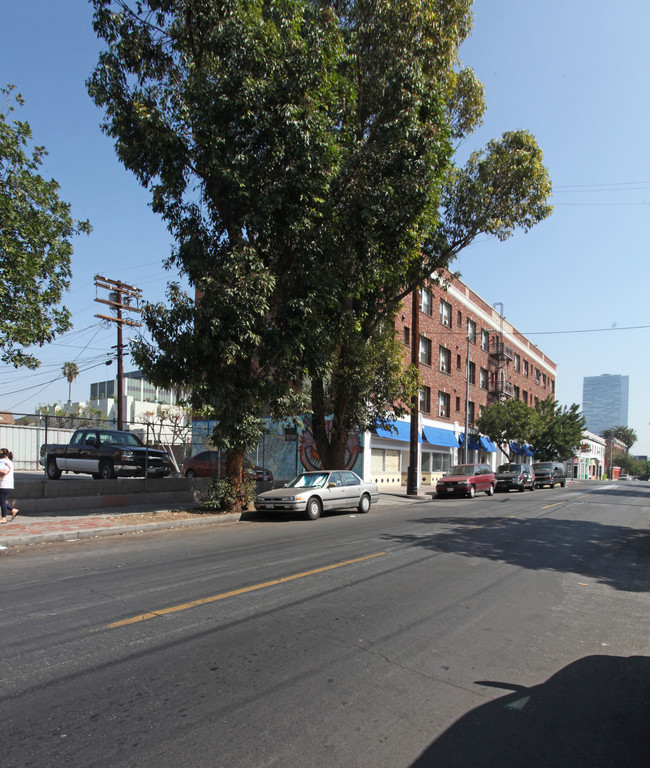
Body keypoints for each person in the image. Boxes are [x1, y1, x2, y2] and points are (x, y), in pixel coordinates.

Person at [0, 448, 18, 523]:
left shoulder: (5, 462)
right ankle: (12, 510)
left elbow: (4, 472)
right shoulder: (7, 461)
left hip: (5, 484)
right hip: (5, 484)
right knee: (1, 501)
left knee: (2, 501)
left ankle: (4, 518)